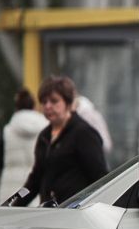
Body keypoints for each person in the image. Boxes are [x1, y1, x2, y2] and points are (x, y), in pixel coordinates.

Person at [13, 75, 108, 206]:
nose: (47, 106)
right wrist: (13, 205)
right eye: (44, 102)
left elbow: (100, 178)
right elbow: (35, 179)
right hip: (48, 214)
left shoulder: (84, 133)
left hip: (76, 215)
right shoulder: (44, 136)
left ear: (68, 103)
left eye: (54, 101)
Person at [0, 88, 47, 203]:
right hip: (36, 190)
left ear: (16, 107)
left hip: (10, 189)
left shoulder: (6, 131)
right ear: (34, 106)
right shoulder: (46, 128)